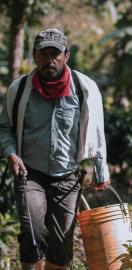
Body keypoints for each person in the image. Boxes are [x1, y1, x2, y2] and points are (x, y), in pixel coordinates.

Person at [0, 28, 111, 270]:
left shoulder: (84, 89)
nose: (50, 60)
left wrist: (101, 170)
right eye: (44, 53)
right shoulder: (19, 90)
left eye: (55, 54)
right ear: (34, 56)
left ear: (66, 55)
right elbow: (4, 128)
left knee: (61, 245)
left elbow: (97, 130)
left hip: (68, 177)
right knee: (32, 232)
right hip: (30, 173)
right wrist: (11, 153)